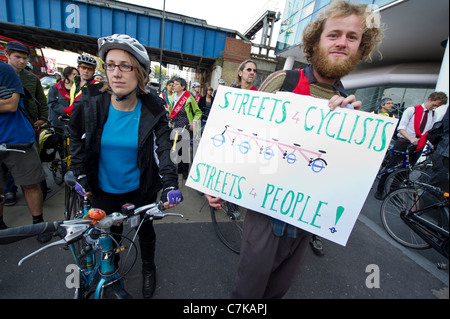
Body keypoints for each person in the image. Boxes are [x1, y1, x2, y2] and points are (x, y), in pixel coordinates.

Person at [207, 0, 384, 298]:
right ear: (315, 42)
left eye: (352, 37)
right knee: (248, 292)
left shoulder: (352, 109)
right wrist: (216, 180)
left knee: (277, 291)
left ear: (360, 47)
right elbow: (241, 132)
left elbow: (343, 176)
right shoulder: (283, 82)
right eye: (334, 34)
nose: (342, 42)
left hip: (305, 223)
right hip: (264, 215)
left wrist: (355, 134)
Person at [69, 34, 181, 298]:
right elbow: (74, 134)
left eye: (125, 65)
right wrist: (79, 171)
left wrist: (170, 184)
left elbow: (163, 149)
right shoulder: (91, 101)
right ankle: (112, 271)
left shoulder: (153, 108)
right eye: (110, 65)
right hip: (103, 189)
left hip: (140, 188)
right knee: (112, 233)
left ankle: (148, 267)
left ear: (140, 72)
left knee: (145, 230)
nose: (116, 73)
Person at [0, 63, 48, 244]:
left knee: (30, 184)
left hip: (17, 138)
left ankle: (38, 224)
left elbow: (12, 105)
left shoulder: (5, 70)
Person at [375, 91, 448, 200]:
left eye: (438, 106)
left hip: (418, 146)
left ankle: (393, 192)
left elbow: (429, 132)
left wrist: (431, 143)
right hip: (403, 142)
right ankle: (380, 190)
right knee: (391, 166)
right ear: (429, 99)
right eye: (435, 105)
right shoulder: (411, 110)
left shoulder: (434, 114)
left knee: (406, 171)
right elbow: (401, 128)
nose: (436, 107)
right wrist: (411, 138)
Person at [4, 40, 49, 207]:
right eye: (17, 57)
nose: (21, 61)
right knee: (6, 168)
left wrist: (43, 118)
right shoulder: (3, 75)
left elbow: (41, 100)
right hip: (6, 129)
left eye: (24, 58)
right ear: (7, 55)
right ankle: (10, 190)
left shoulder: (31, 78)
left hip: (28, 126)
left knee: (31, 168)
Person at [168, 77, 202, 179]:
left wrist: (194, 122)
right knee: (178, 149)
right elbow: (171, 112)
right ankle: (180, 169)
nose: (174, 86)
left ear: (183, 87)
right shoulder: (173, 97)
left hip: (185, 127)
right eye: (174, 84)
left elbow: (198, 112)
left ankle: (186, 172)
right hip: (176, 127)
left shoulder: (189, 98)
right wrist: (170, 121)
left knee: (185, 151)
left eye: (177, 84)